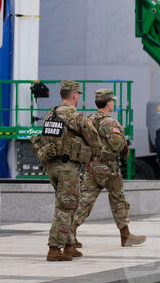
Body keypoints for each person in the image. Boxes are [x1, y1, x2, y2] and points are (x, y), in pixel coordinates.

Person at [70, 89, 146, 249]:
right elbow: (117, 144)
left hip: (91, 166)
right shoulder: (109, 123)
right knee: (118, 200)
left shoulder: (88, 120)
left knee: (85, 201)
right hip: (108, 167)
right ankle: (125, 236)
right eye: (112, 101)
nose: (114, 103)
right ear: (108, 102)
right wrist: (125, 144)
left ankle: (70, 233)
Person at [34, 80, 100, 261]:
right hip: (68, 168)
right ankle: (54, 248)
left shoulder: (50, 115)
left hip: (52, 167)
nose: (78, 97)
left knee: (67, 204)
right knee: (66, 207)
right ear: (74, 95)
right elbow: (94, 139)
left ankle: (70, 245)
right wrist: (93, 156)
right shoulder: (75, 117)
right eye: (78, 94)